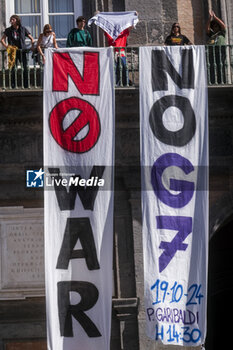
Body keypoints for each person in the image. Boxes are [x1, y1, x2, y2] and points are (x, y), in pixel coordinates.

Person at [1, 14, 34, 88]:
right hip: (13, 51)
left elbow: (31, 38)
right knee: (13, 68)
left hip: (22, 51)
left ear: (17, 20)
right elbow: (2, 40)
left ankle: (26, 85)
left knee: (25, 68)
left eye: (13, 19)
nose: (11, 21)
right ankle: (13, 85)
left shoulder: (23, 29)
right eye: (11, 20)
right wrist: (7, 47)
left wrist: (32, 46)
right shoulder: (8, 30)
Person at [206, 10, 226, 84]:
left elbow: (223, 25)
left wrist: (215, 17)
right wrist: (210, 18)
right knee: (212, 67)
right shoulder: (212, 34)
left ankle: (222, 81)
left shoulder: (222, 33)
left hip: (221, 50)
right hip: (212, 52)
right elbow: (207, 29)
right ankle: (213, 81)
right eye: (214, 26)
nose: (215, 27)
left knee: (221, 66)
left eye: (216, 26)